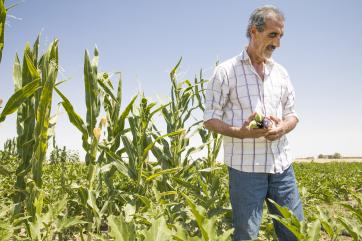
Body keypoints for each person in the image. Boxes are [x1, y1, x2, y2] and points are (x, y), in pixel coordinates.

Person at [203, 5, 303, 241]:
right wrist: (242, 133)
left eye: (280, 36)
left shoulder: (281, 73)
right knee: (246, 235)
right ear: (253, 31)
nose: (277, 43)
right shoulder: (225, 71)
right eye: (272, 35)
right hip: (245, 171)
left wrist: (282, 128)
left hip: (282, 168)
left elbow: (293, 114)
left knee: (294, 233)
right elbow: (209, 119)